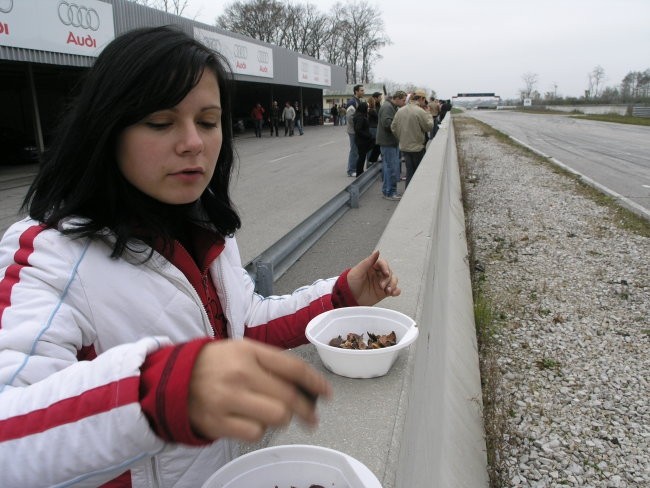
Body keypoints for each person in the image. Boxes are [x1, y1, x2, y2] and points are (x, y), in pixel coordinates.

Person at [0, 26, 401, 488]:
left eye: (208, 122)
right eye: (160, 122)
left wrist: (341, 292)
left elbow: (244, 325)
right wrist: (158, 392)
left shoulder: (206, 228)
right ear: (106, 128)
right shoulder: (47, 256)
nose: (193, 142)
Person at [390, 89, 434, 188]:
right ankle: (416, 195)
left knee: (409, 172)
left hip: (404, 147)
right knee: (418, 173)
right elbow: (429, 127)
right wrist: (428, 114)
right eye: (424, 100)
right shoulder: (420, 111)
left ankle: (407, 194)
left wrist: (401, 137)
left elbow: (393, 127)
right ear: (422, 99)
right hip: (417, 148)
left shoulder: (400, 110)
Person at [377, 90, 407, 200]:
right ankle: (390, 192)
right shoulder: (388, 107)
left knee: (389, 167)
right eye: (403, 100)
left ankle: (387, 191)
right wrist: (401, 125)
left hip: (390, 142)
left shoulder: (391, 107)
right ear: (397, 99)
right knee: (391, 168)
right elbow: (387, 124)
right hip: (388, 142)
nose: (404, 103)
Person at [353, 101, 373, 177]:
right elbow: (358, 129)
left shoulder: (360, 115)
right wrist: (368, 135)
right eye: (367, 107)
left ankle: (360, 172)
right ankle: (359, 173)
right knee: (361, 157)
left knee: (362, 156)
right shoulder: (360, 117)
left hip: (362, 140)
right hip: (362, 140)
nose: (368, 109)